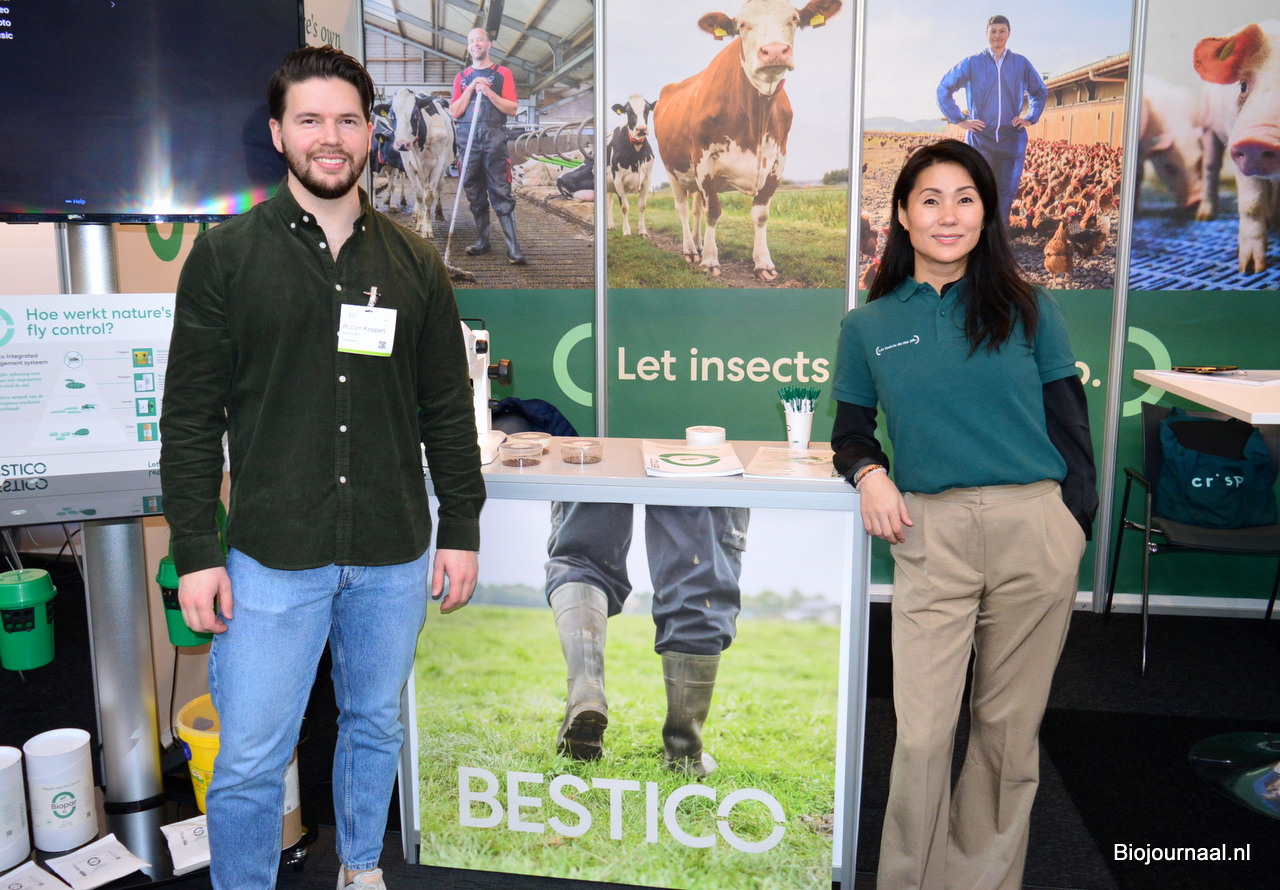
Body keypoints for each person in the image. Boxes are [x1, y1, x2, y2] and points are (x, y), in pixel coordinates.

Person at [159, 46, 485, 890]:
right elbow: (189, 420)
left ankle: (361, 867)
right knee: (250, 758)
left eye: (346, 120)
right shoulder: (225, 257)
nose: (329, 138)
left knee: (374, 726)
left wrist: (461, 526)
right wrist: (196, 549)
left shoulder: (416, 264)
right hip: (272, 556)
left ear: (372, 132)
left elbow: (447, 410)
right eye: (309, 120)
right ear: (279, 134)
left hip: (392, 551)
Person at [831, 139, 1097, 890]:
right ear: (903, 216)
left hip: (1033, 532)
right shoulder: (868, 325)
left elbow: (1071, 430)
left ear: (986, 215)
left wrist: (1071, 526)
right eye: (930, 199)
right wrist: (869, 474)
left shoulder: (1031, 309)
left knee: (1007, 735)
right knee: (921, 737)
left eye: (965, 199)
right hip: (930, 535)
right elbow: (850, 432)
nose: (948, 215)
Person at [546, 503, 749, 776]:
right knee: (697, 568)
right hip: (695, 474)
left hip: (594, 471)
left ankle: (587, 689)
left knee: (583, 557)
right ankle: (684, 753)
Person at [936, 15, 1047, 226]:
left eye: (1002, 31)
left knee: (1006, 192)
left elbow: (1039, 91)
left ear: (1009, 34)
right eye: (993, 31)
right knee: (978, 188)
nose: (997, 35)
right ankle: (977, 233)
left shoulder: (1020, 63)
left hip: (1011, 138)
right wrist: (960, 120)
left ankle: (999, 235)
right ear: (987, 33)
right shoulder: (972, 63)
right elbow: (944, 89)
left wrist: (1030, 118)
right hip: (980, 139)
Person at [449, 27, 526, 265]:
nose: (476, 44)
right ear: (468, 47)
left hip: (493, 140)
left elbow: (512, 108)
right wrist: (472, 87)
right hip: (468, 141)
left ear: (488, 44)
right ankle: (482, 242)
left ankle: (513, 248)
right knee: (474, 193)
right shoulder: (462, 77)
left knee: (501, 192)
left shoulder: (502, 73)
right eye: (471, 41)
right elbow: (455, 112)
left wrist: (488, 91)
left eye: (480, 39)